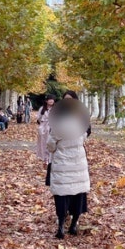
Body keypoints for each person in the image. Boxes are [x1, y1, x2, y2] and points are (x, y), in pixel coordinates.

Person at [46, 91, 91, 239]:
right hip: (78, 161)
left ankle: (60, 225)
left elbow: (50, 145)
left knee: (61, 194)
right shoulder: (81, 123)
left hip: (62, 163)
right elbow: (85, 137)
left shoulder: (58, 124)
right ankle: (74, 224)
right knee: (78, 194)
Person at [36, 95, 54, 168]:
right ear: (46, 101)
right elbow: (38, 118)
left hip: (53, 127)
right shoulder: (42, 109)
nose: (51, 101)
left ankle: (51, 159)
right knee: (44, 144)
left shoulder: (55, 109)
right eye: (50, 100)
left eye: (52, 100)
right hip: (44, 128)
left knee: (51, 143)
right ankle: (45, 159)